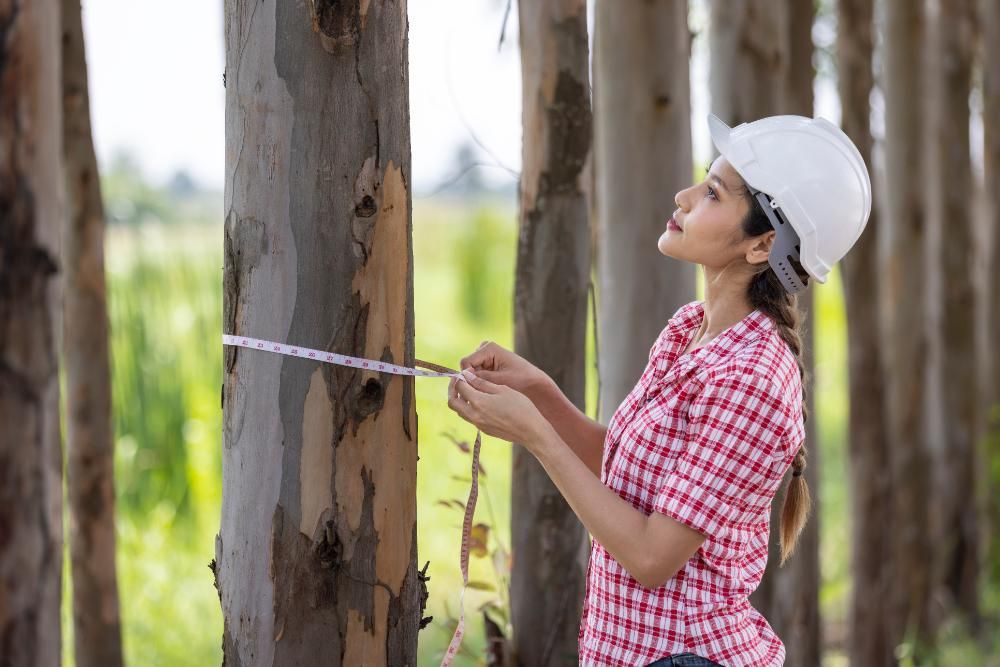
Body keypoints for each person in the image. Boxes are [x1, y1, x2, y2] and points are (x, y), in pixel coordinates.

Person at [446, 113, 872, 666]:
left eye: (713, 192)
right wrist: (542, 397)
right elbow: (634, 478)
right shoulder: (687, 330)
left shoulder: (753, 382)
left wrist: (536, 436)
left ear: (763, 245)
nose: (685, 195)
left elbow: (650, 556)